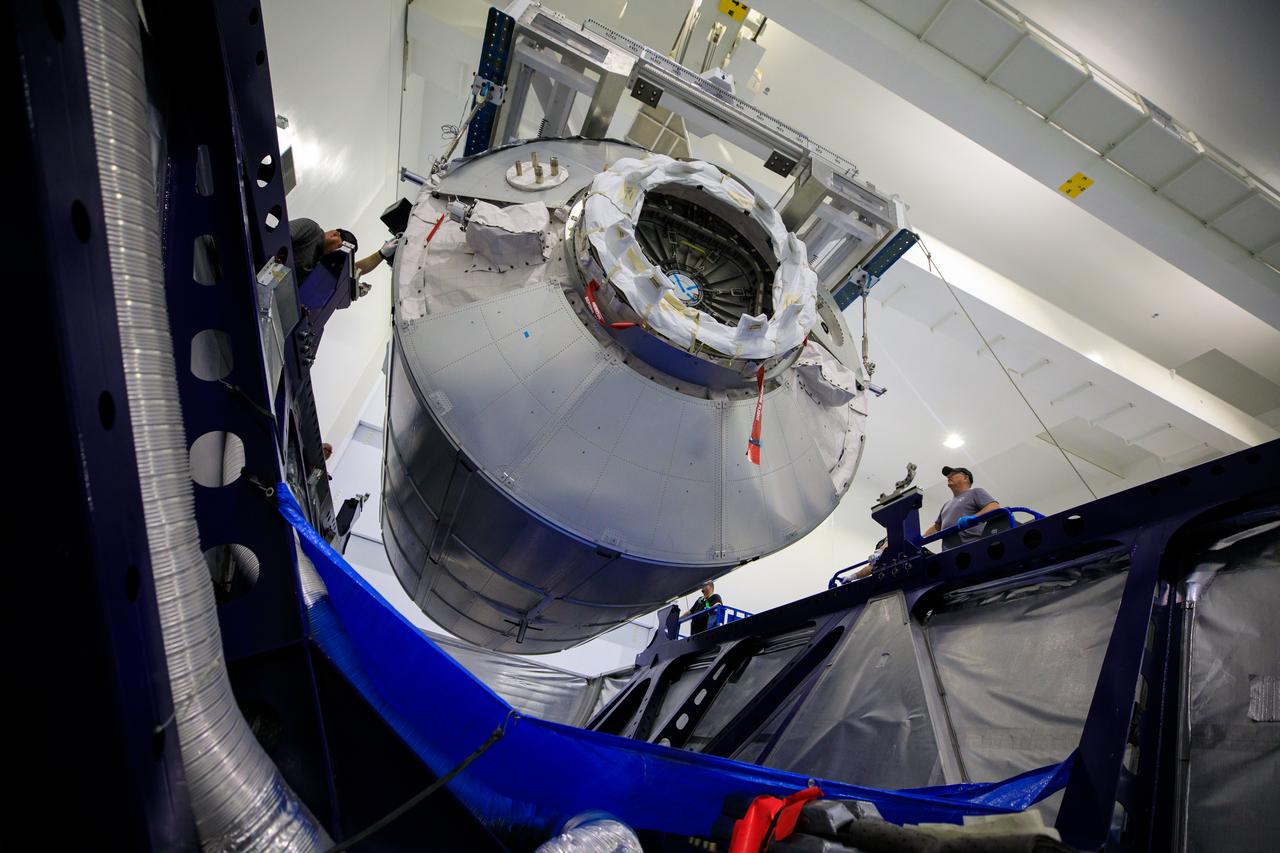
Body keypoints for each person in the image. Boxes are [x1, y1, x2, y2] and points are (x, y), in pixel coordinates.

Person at [922, 466, 1002, 550]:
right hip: (948, 553)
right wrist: (921, 538)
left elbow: (994, 506)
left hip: (972, 546)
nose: (949, 476)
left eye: (953, 474)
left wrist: (974, 517)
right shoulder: (946, 505)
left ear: (965, 477)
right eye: (948, 475)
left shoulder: (975, 492)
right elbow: (937, 527)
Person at [289, 218, 387, 281]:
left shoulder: (320, 264)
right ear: (334, 235)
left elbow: (354, 270)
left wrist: (381, 254)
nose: (336, 254)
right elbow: (280, 237)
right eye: (339, 248)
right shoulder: (311, 230)